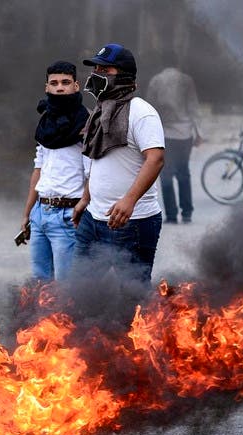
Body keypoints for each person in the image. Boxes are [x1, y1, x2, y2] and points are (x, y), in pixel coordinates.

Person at [73, 43, 165, 286]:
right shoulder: (100, 112)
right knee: (80, 291)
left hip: (132, 224)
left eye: (105, 70)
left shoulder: (141, 113)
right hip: (93, 220)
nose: (97, 75)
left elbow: (155, 159)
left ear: (123, 76)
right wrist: (85, 197)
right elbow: (98, 159)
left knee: (132, 297)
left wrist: (129, 200)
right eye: (96, 70)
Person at [20, 61, 91, 282]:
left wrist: (82, 205)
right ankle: (41, 318)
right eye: (54, 83)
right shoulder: (45, 125)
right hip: (40, 212)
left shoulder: (86, 123)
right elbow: (38, 170)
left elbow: (93, 172)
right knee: (40, 282)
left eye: (65, 83)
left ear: (76, 86)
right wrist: (28, 213)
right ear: (47, 88)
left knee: (65, 285)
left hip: (68, 214)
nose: (60, 87)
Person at [146, 57, 203, 224]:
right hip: (185, 133)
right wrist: (199, 132)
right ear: (177, 63)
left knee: (166, 174)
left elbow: (150, 108)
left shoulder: (156, 80)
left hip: (165, 133)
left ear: (162, 64)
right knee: (184, 172)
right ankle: (187, 212)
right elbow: (193, 107)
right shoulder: (186, 80)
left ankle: (171, 215)